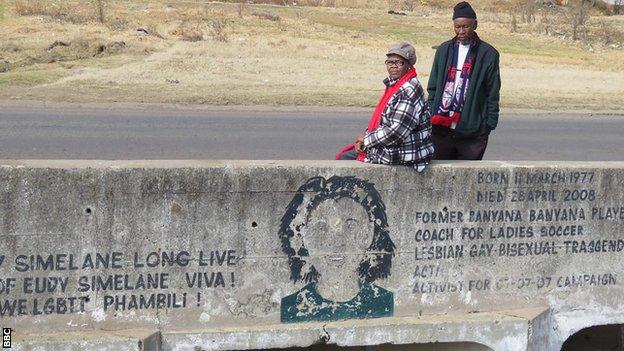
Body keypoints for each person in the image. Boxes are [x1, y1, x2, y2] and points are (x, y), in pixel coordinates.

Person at [278, 176, 395, 323]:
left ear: (369, 234)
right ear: (304, 236)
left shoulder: (385, 302)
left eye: (351, 226)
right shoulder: (290, 308)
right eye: (321, 227)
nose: (336, 242)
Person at [335, 42, 434, 172]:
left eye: (399, 62)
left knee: (344, 161)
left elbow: (396, 132)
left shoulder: (408, 90)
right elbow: (383, 121)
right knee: (348, 155)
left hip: (405, 154)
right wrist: (366, 138)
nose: (393, 66)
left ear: (409, 65)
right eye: (390, 62)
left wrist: (366, 139)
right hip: (398, 149)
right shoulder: (396, 85)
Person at [427, 1, 501, 160]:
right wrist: (431, 110)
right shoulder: (444, 50)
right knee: (440, 176)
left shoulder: (488, 54)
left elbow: (492, 91)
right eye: (457, 27)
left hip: (472, 130)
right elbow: (433, 87)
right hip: (440, 128)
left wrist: (488, 124)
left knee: (467, 179)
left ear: (475, 25)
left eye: (465, 27)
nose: (461, 31)